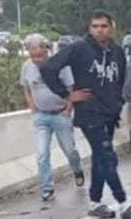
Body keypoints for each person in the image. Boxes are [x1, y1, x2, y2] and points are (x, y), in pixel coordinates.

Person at [38, 9, 131, 219]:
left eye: (103, 26)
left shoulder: (117, 53)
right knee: (108, 157)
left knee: (101, 159)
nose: (99, 31)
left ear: (111, 28)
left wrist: (117, 104)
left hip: (109, 113)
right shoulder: (79, 48)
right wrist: (68, 94)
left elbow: (119, 81)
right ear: (90, 28)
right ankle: (123, 203)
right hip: (89, 114)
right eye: (95, 27)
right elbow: (48, 69)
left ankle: (95, 202)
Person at [19, 33, 85, 202]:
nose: (37, 60)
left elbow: (72, 90)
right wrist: (33, 108)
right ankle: (47, 188)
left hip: (60, 114)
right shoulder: (27, 66)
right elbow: (26, 89)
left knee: (69, 150)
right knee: (42, 154)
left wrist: (68, 109)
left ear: (47, 51)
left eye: (40, 56)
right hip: (41, 116)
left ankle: (77, 169)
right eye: (33, 56)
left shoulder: (61, 66)